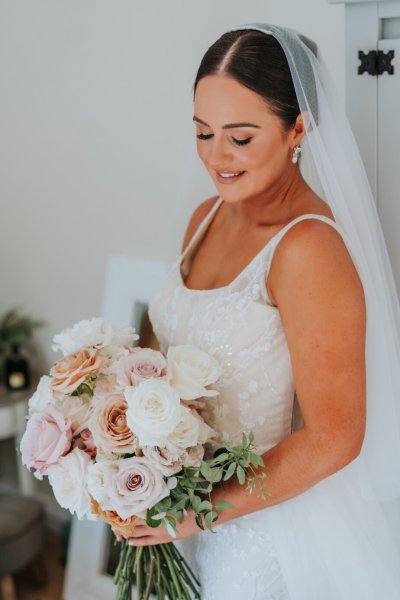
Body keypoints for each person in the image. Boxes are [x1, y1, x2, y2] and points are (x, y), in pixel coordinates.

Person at [125, 24, 400, 599]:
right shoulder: (206, 215)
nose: (216, 156)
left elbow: (335, 437)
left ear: (298, 128)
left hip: (267, 537)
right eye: (202, 132)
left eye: (240, 138)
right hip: (189, 514)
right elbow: (169, 347)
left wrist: (196, 512)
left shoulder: (308, 249)